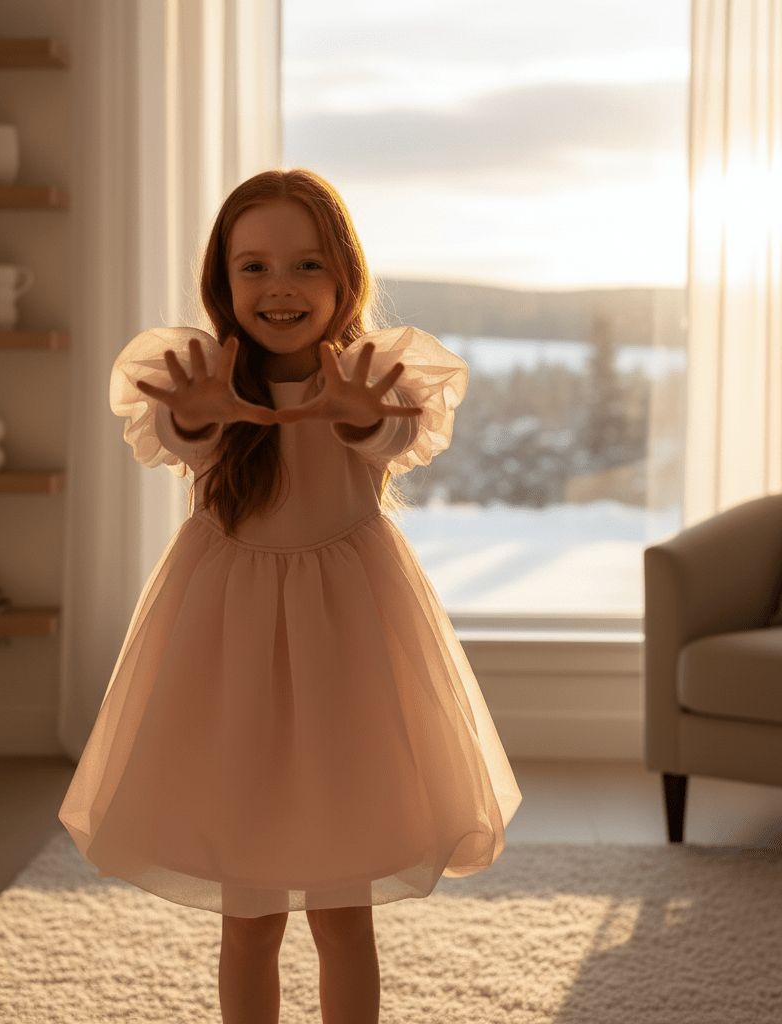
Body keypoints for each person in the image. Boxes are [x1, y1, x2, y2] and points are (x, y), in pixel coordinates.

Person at [60, 168, 521, 1024]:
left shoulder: (373, 377)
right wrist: (205, 415)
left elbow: (392, 431)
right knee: (251, 920)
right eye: (254, 268)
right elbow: (176, 432)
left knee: (345, 916)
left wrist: (348, 413)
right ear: (222, 282)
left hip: (346, 644)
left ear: (345, 278)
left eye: (307, 266)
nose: (280, 288)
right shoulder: (197, 376)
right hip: (228, 649)